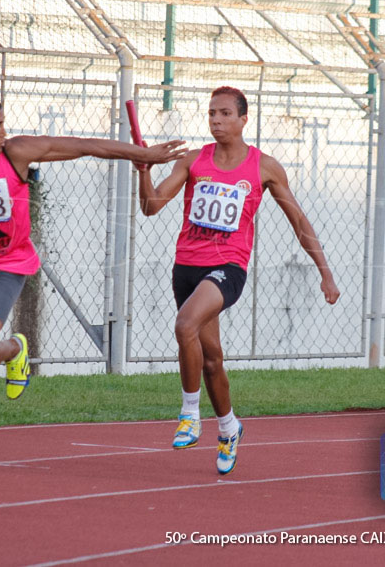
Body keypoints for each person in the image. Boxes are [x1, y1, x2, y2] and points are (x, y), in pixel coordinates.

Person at [0, 92, 186, 479]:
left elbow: (86, 146)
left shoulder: (16, 153)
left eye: (4, 124)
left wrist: (143, 154)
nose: (4, 133)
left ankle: (15, 347)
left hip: (8, 267)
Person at [137, 86, 340, 475]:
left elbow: (298, 221)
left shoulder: (264, 167)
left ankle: (189, 413)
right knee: (211, 359)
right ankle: (229, 427)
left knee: (184, 325)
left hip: (228, 267)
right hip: (186, 267)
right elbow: (151, 206)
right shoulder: (194, 161)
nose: (216, 120)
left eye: (225, 114)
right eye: (212, 113)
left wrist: (325, 271)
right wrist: (144, 171)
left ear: (244, 119)